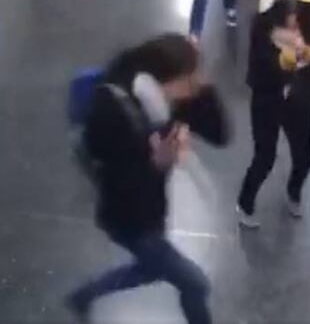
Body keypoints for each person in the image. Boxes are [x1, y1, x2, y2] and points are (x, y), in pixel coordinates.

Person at [67, 34, 215, 324]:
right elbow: (121, 182)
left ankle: (83, 296)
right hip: (130, 221)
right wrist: (158, 164)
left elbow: (219, 131)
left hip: (149, 213)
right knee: (196, 283)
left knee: (149, 270)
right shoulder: (114, 112)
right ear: (165, 78)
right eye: (188, 81)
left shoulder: (152, 102)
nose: (191, 92)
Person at [237, 0, 310, 227]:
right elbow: (262, 64)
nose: (294, 31)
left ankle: (294, 191)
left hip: (298, 103)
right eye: (289, 26)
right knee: (265, 157)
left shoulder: (309, 29)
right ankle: (245, 203)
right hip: (267, 100)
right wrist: (284, 60)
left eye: (297, 26)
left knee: (305, 157)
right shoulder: (262, 30)